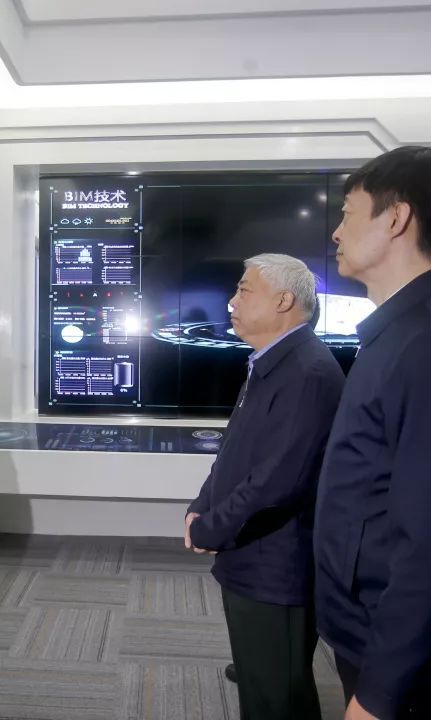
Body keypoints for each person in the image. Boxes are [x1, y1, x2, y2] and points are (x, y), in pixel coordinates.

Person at [314, 146, 431, 720]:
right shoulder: (405, 331)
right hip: (372, 628)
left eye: (348, 214)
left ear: (396, 218)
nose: (336, 233)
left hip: (415, 664)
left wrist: (380, 693)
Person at [186, 254, 344, 720]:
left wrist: (211, 527)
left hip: (276, 566)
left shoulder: (307, 372)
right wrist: (203, 504)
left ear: (283, 300)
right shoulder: (272, 362)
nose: (231, 302)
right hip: (251, 554)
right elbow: (236, 451)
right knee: (262, 684)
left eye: (243, 290)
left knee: (277, 698)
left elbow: (277, 480)